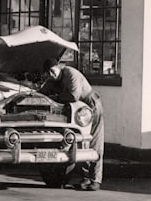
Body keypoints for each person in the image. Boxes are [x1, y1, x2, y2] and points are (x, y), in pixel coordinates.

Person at [40, 57, 104, 191]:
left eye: (52, 71)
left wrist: (54, 98)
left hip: (91, 105)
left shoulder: (71, 74)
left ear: (58, 67)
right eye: (48, 73)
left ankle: (95, 180)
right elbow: (42, 93)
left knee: (93, 141)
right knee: (82, 143)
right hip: (78, 110)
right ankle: (86, 178)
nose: (51, 75)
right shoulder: (54, 79)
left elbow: (73, 96)